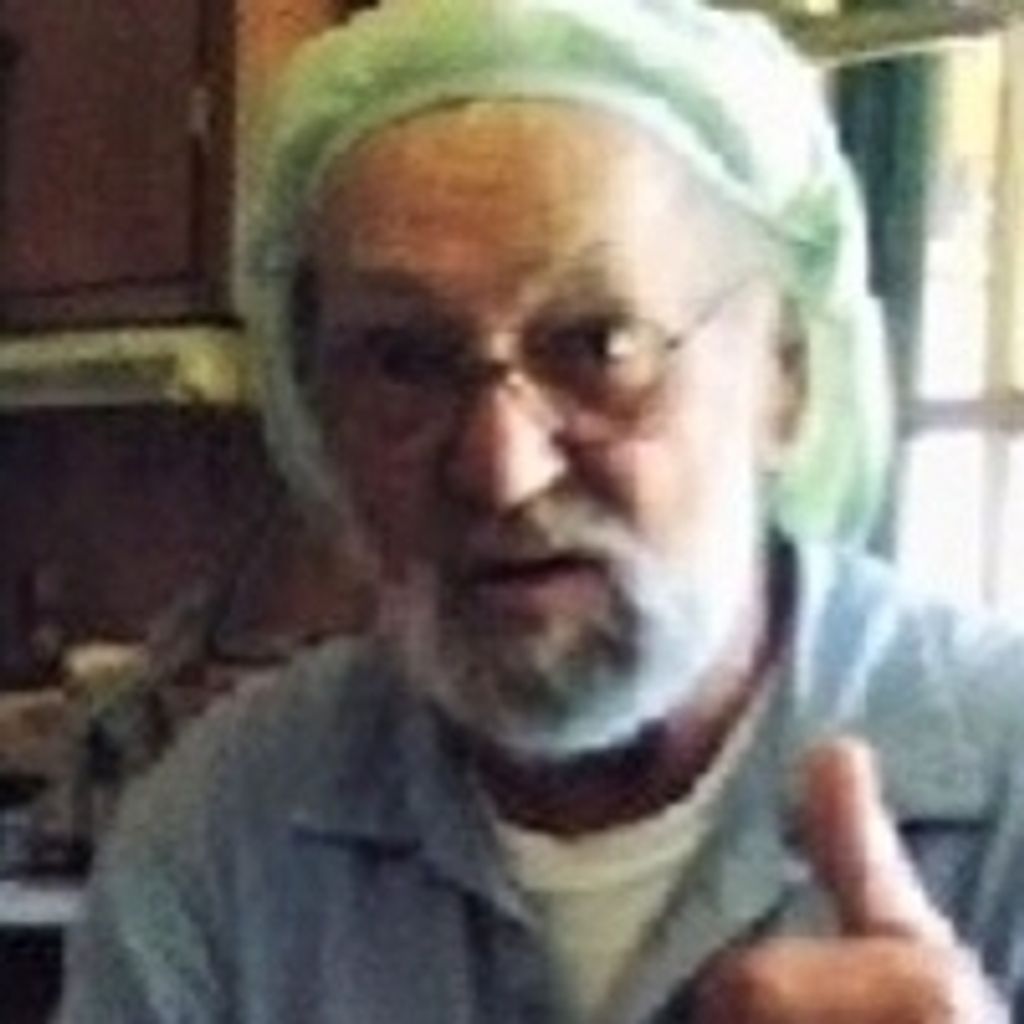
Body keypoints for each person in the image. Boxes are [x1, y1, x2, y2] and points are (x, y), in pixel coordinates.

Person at [58, 1, 1024, 1021]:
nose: (501, 470)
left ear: (785, 375)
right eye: (403, 359)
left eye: (600, 343)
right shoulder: (224, 834)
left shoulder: (1005, 784)